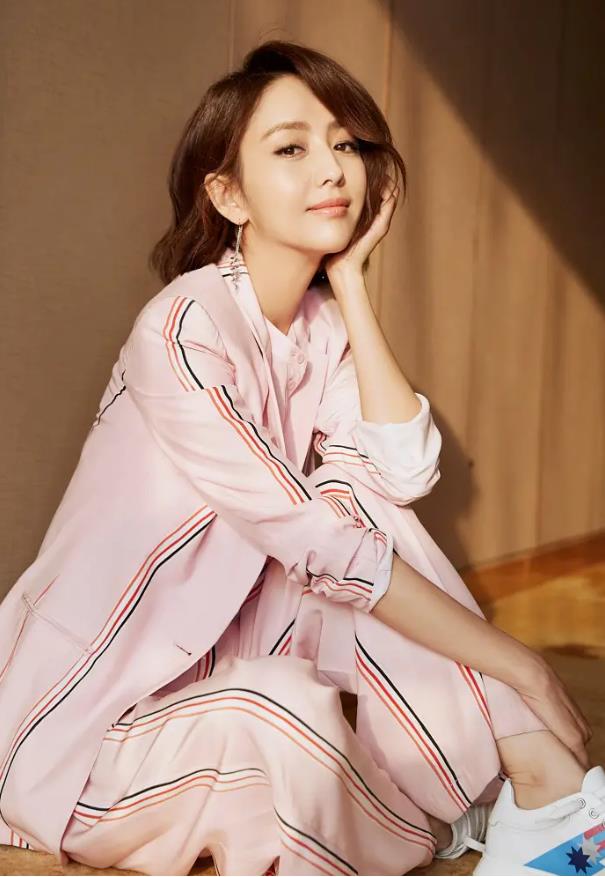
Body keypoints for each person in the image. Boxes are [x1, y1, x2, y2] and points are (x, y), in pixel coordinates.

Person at [0, 38, 602, 877]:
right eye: (290, 149)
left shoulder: (320, 331)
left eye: (344, 143)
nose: (331, 169)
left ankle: (540, 792)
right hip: (88, 725)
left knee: (358, 504)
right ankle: (513, 798)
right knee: (291, 710)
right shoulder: (183, 327)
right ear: (227, 194)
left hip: (217, 667)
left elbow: (402, 473)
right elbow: (320, 542)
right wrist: (520, 664)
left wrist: (350, 285)